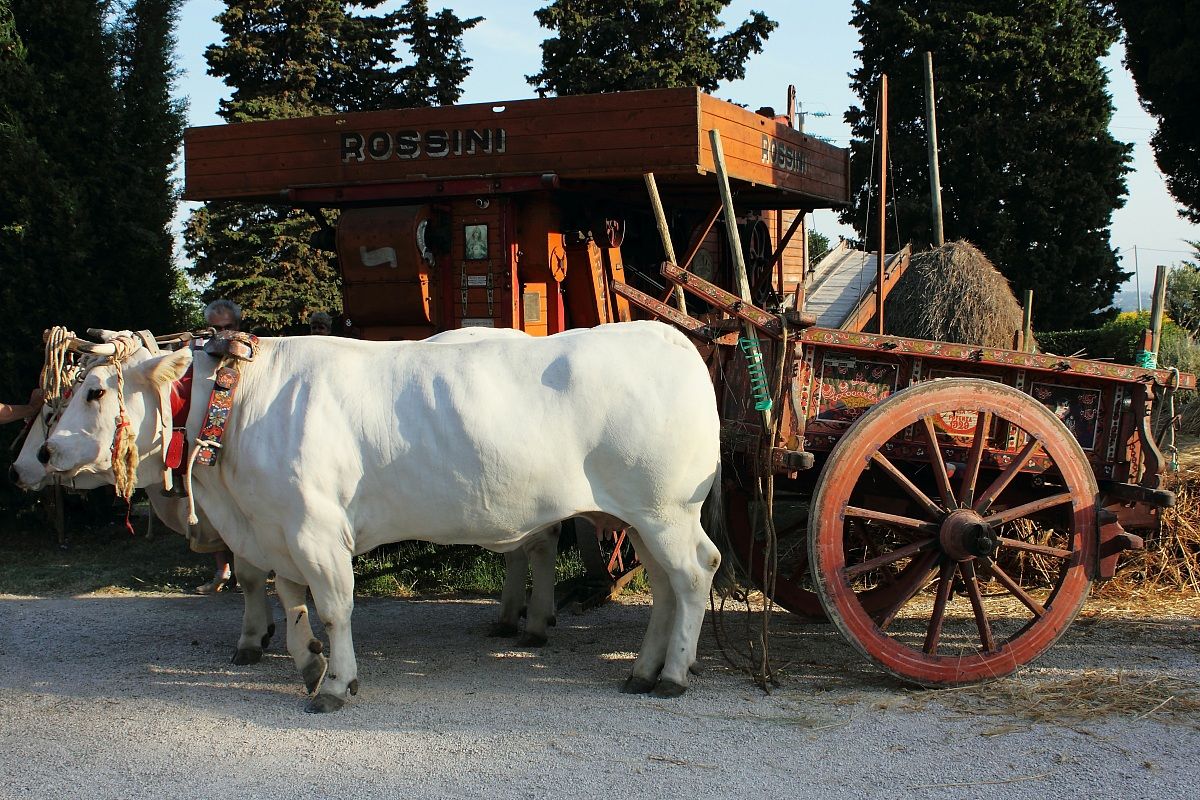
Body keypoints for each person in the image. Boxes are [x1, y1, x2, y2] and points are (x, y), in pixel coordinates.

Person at [196, 299, 242, 594]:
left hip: (243, 442)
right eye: (216, 328)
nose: (222, 334)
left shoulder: (253, 350)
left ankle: (253, 569)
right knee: (213, 507)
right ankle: (223, 570)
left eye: (228, 327)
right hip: (209, 440)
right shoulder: (198, 354)